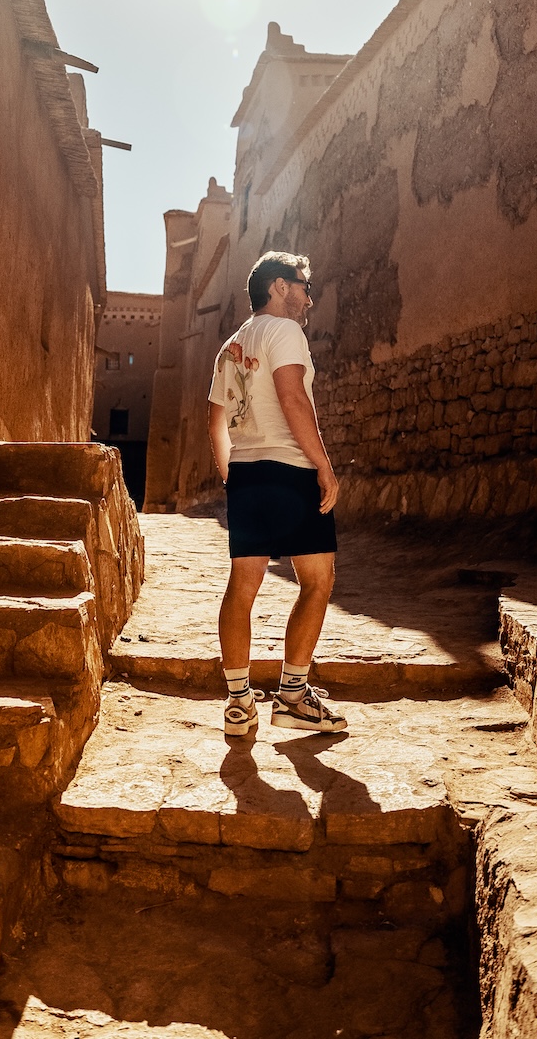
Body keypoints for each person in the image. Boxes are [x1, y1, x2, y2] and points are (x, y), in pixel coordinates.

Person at [208, 250, 347, 737]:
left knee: (241, 588)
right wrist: (324, 467)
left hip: (247, 472)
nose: (308, 296)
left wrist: (233, 475)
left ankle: (238, 702)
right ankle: (291, 695)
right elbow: (293, 397)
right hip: (290, 470)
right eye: (303, 286)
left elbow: (216, 417)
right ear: (278, 286)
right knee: (317, 580)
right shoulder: (284, 331)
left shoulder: (231, 345)